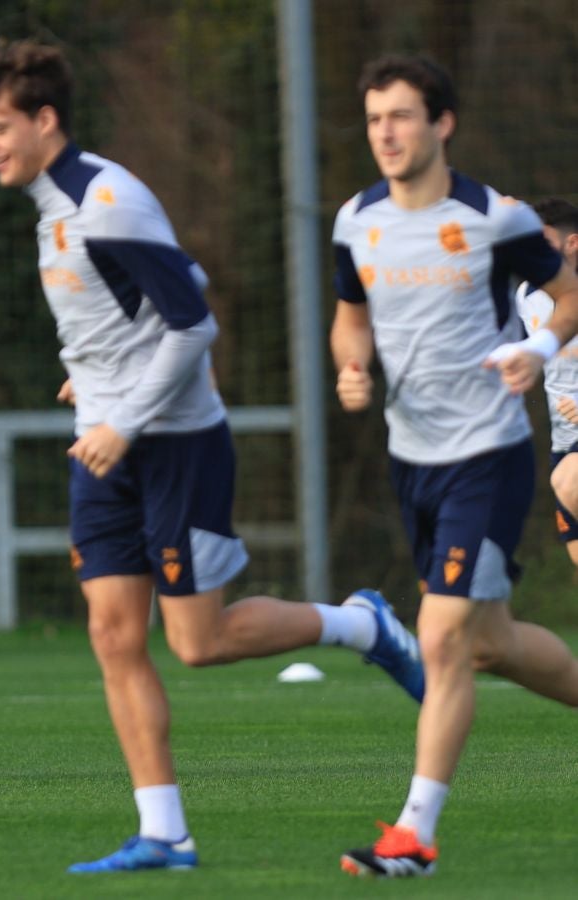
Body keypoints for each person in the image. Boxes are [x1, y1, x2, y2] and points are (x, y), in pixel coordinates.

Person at [0, 38, 424, 873]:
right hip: (103, 445)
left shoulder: (106, 200)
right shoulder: (55, 207)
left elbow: (193, 323)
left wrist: (125, 417)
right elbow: (161, 290)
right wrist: (90, 376)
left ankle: (362, 624)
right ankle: (165, 833)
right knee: (112, 634)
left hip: (174, 445)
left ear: (45, 120)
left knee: (198, 643)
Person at [329, 56, 578, 878]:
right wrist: (351, 364)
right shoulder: (356, 220)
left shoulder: (495, 218)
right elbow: (350, 316)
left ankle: (414, 837)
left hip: (488, 455)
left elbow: (570, 295)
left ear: (442, 124)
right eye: (375, 119)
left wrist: (538, 349)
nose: (386, 133)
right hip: (414, 460)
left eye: (402, 116)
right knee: (488, 645)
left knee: (440, 636)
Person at [515, 197, 578, 565]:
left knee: (567, 483)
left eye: (542, 242)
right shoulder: (526, 295)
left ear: (572, 243)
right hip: (564, 441)